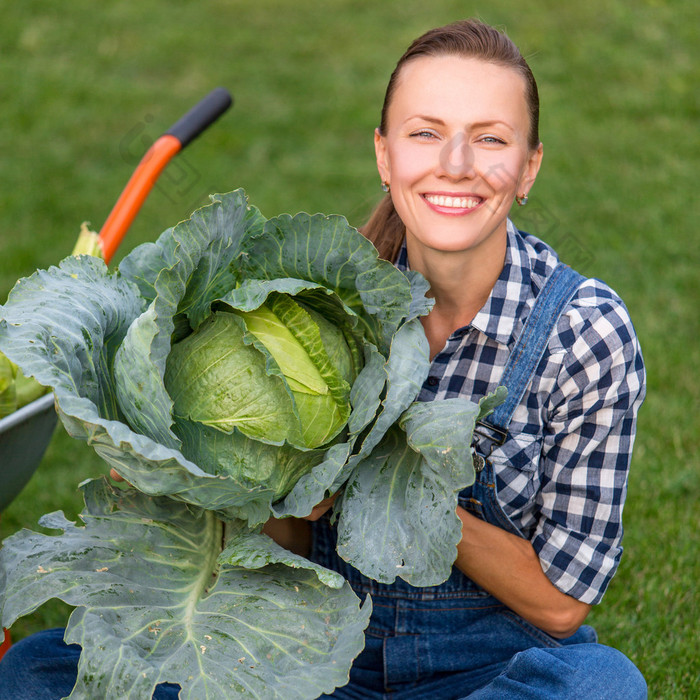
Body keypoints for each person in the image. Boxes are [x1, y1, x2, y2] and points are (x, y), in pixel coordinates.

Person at [0, 18, 646, 700]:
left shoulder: (582, 333)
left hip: (492, 665)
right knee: (38, 673)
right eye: (425, 132)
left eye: (490, 138)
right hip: (313, 659)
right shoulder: (331, 303)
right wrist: (203, 475)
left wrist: (390, 493)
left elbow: (561, 604)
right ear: (384, 155)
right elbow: (292, 548)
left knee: (601, 684)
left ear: (528, 168)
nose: (455, 163)